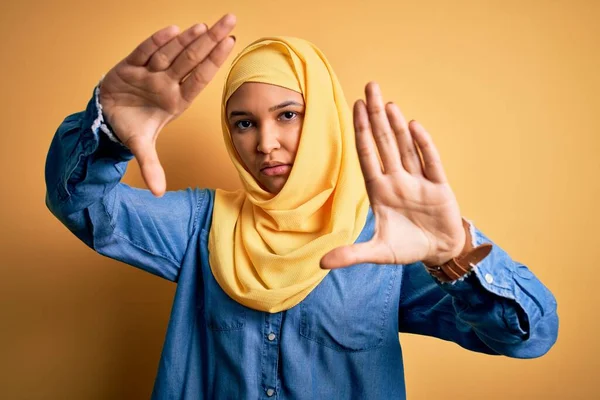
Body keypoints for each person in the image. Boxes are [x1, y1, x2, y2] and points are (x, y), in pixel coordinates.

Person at [44, 13, 558, 399]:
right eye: (244, 123)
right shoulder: (202, 225)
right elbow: (84, 205)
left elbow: (527, 338)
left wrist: (453, 252)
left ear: (325, 118)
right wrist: (107, 131)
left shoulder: (388, 241)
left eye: (288, 114)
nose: (265, 142)